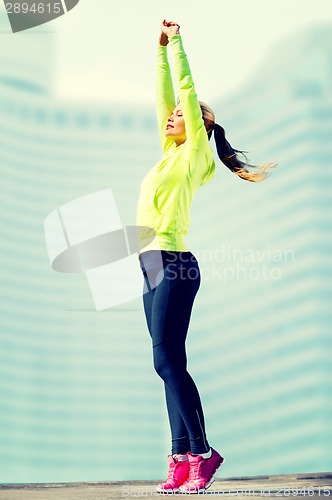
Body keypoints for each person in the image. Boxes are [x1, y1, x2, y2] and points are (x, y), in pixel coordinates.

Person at [136, 20, 277, 494]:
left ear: (202, 124)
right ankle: (179, 455)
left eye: (185, 113)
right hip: (150, 263)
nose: (174, 115)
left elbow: (186, 90)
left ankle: (201, 451)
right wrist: (157, 52)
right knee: (164, 361)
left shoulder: (195, 152)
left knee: (168, 360)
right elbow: (163, 100)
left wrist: (176, 43)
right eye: (174, 114)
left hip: (175, 262)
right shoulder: (166, 153)